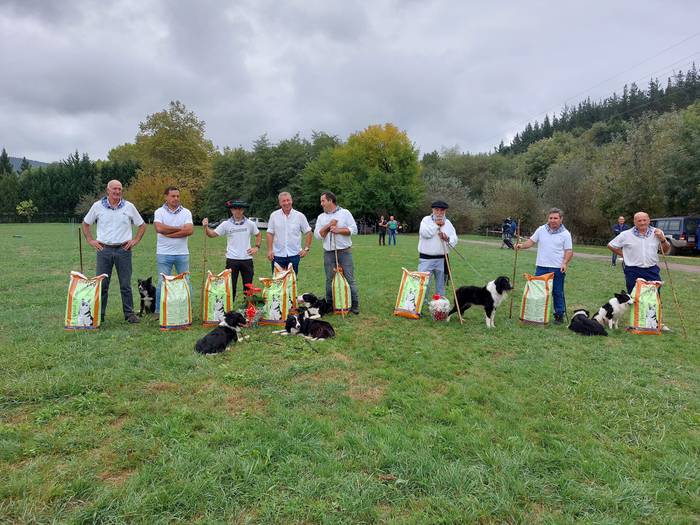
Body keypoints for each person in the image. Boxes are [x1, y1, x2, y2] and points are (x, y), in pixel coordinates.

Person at [81, 179, 146, 323]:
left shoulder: (129, 207)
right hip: (104, 250)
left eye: (120, 189)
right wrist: (91, 240)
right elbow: (85, 224)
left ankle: (129, 315)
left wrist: (135, 240)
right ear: (108, 190)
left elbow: (142, 225)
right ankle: (99, 315)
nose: (117, 191)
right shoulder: (97, 206)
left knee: (125, 284)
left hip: (124, 250)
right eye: (114, 189)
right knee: (102, 284)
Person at [515, 208, 573, 324]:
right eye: (551, 218)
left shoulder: (565, 234)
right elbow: (531, 241)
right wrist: (521, 245)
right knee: (537, 291)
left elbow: (569, 251)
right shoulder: (541, 229)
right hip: (541, 267)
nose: (552, 220)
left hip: (557, 268)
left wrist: (564, 263)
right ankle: (536, 314)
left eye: (555, 218)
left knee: (557, 292)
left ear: (561, 219)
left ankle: (559, 315)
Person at [202, 200, 262, 303]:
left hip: (247, 260)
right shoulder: (226, 224)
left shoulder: (250, 224)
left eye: (240, 209)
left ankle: (248, 310)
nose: (237, 211)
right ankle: (229, 310)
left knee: (248, 288)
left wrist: (256, 247)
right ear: (231, 210)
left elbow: (258, 234)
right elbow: (211, 234)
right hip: (232, 260)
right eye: (235, 209)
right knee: (230, 286)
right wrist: (206, 227)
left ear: (243, 210)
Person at [314, 191, 360, 314]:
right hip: (328, 253)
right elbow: (318, 236)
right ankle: (330, 305)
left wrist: (338, 230)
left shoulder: (345, 213)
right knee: (329, 279)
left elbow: (354, 230)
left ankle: (354, 305)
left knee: (349, 278)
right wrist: (329, 226)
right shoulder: (321, 217)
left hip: (344, 251)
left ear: (330, 201)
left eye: (323, 201)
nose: (321, 203)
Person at [153, 186, 193, 316]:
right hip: (163, 253)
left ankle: (187, 309)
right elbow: (159, 228)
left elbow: (189, 230)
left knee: (186, 281)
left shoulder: (186, 212)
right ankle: (159, 312)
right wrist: (178, 229)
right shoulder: (159, 212)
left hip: (182, 253)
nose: (176, 198)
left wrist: (169, 233)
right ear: (166, 197)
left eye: (177, 196)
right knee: (162, 282)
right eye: (173, 196)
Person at [607, 211, 670, 294]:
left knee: (654, 298)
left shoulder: (657, 233)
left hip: (652, 270)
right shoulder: (626, 234)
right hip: (633, 271)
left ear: (649, 220)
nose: (642, 223)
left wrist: (663, 240)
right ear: (634, 222)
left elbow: (665, 251)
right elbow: (611, 245)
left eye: (644, 220)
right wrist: (624, 255)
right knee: (634, 297)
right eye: (639, 221)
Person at [418, 200, 458, 298]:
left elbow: (455, 238)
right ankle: (419, 307)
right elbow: (425, 233)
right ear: (432, 210)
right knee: (423, 284)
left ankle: (439, 309)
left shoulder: (448, 223)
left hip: (442, 259)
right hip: (426, 259)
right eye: (437, 210)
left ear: (445, 211)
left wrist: (447, 238)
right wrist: (436, 225)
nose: (439, 213)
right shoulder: (426, 220)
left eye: (442, 210)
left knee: (441, 286)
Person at [266, 192, 312, 275]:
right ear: (280, 203)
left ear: (292, 201)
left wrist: (306, 249)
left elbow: (308, 232)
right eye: (283, 201)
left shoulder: (299, 216)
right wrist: (270, 250)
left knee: (292, 283)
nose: (286, 203)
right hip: (277, 255)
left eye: (288, 200)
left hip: (294, 255)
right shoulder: (274, 215)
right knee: (277, 283)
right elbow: (269, 233)